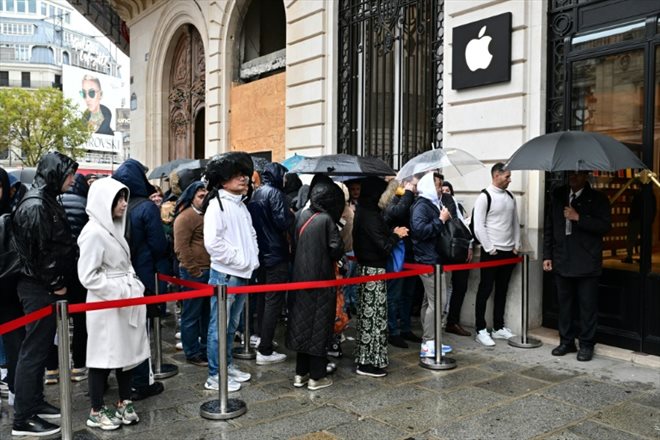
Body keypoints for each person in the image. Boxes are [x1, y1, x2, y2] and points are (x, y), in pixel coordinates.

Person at [11, 152, 78, 437]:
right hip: (38, 287)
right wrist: (55, 284)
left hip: (42, 285)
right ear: (55, 174)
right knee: (34, 351)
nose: (73, 180)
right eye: (69, 174)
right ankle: (23, 417)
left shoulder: (44, 199)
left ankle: (34, 403)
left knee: (38, 349)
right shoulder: (37, 204)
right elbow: (39, 253)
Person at [78, 177, 150, 430]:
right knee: (102, 354)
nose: (123, 204)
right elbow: (88, 275)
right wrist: (118, 289)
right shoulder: (93, 232)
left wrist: (133, 286)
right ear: (103, 202)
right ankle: (96, 409)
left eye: (124, 198)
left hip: (124, 298)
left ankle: (124, 400)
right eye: (117, 199)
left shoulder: (114, 227)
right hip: (106, 303)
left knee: (126, 352)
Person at [203, 153, 258, 392]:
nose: (244, 179)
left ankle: (227, 365)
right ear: (223, 180)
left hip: (242, 273)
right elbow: (213, 244)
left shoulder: (240, 206)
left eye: (244, 175)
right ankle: (215, 374)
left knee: (231, 326)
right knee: (219, 327)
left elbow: (251, 236)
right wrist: (241, 259)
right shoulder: (217, 205)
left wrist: (250, 261)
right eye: (237, 175)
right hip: (226, 275)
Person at [113, 159, 167, 400]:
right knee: (141, 331)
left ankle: (123, 378)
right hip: (143, 276)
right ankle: (141, 381)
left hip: (119, 277)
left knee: (124, 330)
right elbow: (158, 245)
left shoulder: (116, 207)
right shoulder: (146, 207)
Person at [543, 171, 611, 362]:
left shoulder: (598, 198)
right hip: (562, 259)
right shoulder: (558, 195)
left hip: (587, 262)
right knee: (564, 305)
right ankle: (566, 341)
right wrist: (547, 255)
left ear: (585, 176)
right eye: (570, 174)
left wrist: (578, 217)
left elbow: (605, 226)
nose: (573, 177)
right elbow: (550, 226)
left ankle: (587, 344)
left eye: (578, 174)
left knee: (587, 306)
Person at [287, 177, 345, 390]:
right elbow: (336, 249)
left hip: (299, 280)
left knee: (301, 327)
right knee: (319, 329)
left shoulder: (302, 215)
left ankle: (300, 374)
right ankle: (316, 377)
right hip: (321, 280)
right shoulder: (326, 220)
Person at [353, 177, 408, 377]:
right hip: (373, 271)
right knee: (373, 317)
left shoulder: (366, 212)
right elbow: (383, 247)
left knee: (372, 317)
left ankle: (369, 359)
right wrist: (397, 235)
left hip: (369, 270)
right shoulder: (370, 215)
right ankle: (367, 363)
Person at [247, 163, 293, 365]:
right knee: (273, 301)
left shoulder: (257, 193)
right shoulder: (276, 194)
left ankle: (259, 336)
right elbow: (283, 222)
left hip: (262, 252)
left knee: (262, 298)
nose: (286, 180)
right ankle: (265, 349)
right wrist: (292, 213)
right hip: (276, 252)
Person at [472, 162, 521, 347]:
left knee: (502, 290)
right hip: (492, 252)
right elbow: (478, 226)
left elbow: (515, 222)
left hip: (509, 252)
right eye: (507, 176)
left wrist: (517, 244)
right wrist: (490, 247)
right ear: (496, 176)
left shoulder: (510, 196)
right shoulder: (484, 197)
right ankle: (480, 329)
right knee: (485, 290)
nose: (510, 179)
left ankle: (499, 327)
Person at [410, 173, 453, 359]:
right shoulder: (422, 205)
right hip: (428, 260)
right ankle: (428, 342)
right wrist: (441, 220)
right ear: (428, 186)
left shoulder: (432, 203)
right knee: (438, 302)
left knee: (430, 302)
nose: (439, 189)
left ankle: (431, 341)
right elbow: (419, 231)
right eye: (437, 185)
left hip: (433, 258)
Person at [381, 178, 421, 346]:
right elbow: (395, 213)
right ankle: (393, 331)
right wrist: (409, 193)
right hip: (397, 254)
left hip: (411, 254)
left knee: (408, 295)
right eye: (414, 185)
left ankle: (405, 328)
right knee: (394, 294)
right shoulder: (395, 199)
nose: (416, 188)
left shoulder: (413, 200)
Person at [58, 173, 91, 381]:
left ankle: (53, 369)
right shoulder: (85, 204)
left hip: (59, 269)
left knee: (55, 321)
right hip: (79, 266)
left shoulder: (55, 203)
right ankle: (79, 365)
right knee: (81, 320)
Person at [173, 181, 210, 367]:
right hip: (194, 272)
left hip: (207, 271)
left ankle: (204, 349)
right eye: (200, 196)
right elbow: (180, 248)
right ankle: (192, 352)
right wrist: (194, 271)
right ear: (192, 197)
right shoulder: (185, 217)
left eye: (206, 195)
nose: (204, 198)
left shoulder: (207, 214)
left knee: (206, 314)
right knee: (191, 314)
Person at [440, 180, 472, 337]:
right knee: (441, 289)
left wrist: (469, 244)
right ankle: (439, 323)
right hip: (440, 252)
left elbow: (462, 224)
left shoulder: (452, 201)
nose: (443, 190)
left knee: (460, 285)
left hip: (457, 248)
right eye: (439, 186)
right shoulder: (427, 202)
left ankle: (452, 321)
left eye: (446, 189)